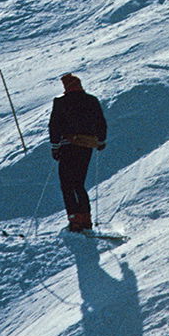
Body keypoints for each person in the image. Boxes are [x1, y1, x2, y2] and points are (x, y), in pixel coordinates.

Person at [48, 72, 107, 232]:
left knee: (67, 184)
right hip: (86, 146)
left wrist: (55, 146)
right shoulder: (91, 100)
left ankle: (74, 219)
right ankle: (86, 219)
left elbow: (54, 125)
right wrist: (100, 141)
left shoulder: (61, 102)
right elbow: (101, 122)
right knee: (79, 183)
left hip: (68, 145)